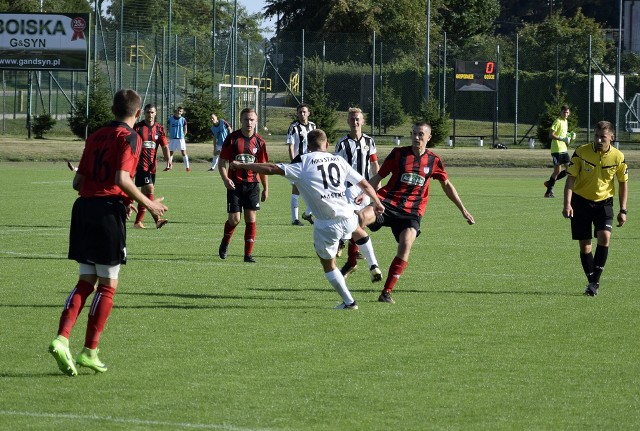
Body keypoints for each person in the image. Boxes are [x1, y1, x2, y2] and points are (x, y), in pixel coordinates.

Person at [48, 89, 168, 376]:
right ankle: (89, 351)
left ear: (113, 109)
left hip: (84, 210)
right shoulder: (131, 137)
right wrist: (149, 204)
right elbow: (122, 178)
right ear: (137, 114)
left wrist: (120, 198)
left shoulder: (95, 136)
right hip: (105, 214)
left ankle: (62, 338)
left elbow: (78, 182)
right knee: (108, 285)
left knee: (85, 281)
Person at [230, 129, 385, 309]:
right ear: (326, 145)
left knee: (328, 264)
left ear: (308, 147)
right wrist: (377, 202)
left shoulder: (304, 162)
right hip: (348, 216)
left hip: (327, 223)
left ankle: (349, 302)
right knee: (357, 230)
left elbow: (271, 168)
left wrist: (243, 165)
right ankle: (372, 263)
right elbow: (365, 184)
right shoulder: (339, 160)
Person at [359, 121, 475, 304]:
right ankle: (353, 262)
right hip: (386, 203)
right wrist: (362, 194)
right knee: (360, 218)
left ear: (429, 137)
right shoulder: (398, 154)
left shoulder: (434, 160)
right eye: (414, 133)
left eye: (421, 134)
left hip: (411, 212)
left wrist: (463, 209)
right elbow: (379, 176)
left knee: (406, 245)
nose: (416, 137)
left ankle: (386, 292)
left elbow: (446, 185)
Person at [562, 120, 628, 297]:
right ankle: (592, 282)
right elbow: (570, 179)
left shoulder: (618, 157)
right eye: (597, 136)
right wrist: (567, 203)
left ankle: (594, 282)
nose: (599, 140)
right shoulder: (581, 152)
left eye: (603, 137)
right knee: (585, 248)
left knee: (604, 237)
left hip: (604, 203)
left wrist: (623, 210)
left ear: (611, 138)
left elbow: (622, 183)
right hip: (580, 202)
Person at [218, 107, 269, 263]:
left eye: (252, 119)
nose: (249, 122)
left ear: (256, 121)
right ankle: (225, 242)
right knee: (234, 219)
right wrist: (226, 179)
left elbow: (263, 166)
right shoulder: (232, 139)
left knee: (251, 218)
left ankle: (248, 255)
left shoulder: (260, 142)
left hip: (253, 185)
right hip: (235, 185)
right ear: (241, 120)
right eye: (246, 119)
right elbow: (221, 162)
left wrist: (266, 188)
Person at [335, 107, 379, 272]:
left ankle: (352, 253)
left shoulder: (369, 141)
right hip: (349, 188)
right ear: (348, 121)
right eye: (352, 119)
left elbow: (374, 164)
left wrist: (377, 187)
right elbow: (337, 167)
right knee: (351, 220)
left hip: (365, 187)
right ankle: (342, 244)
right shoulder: (343, 143)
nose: (355, 122)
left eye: (357, 119)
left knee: (361, 222)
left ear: (363, 121)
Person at [133, 103, 170, 229]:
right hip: (140, 165)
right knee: (149, 189)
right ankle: (157, 219)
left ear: (156, 113)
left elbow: (164, 145)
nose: (150, 114)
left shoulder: (159, 129)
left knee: (144, 193)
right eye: (148, 112)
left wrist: (168, 160)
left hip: (152, 167)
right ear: (144, 113)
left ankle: (138, 222)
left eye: (152, 112)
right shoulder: (137, 128)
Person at [286, 103, 316, 225]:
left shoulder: (313, 126)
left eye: (304, 112)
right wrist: (293, 162)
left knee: (316, 189)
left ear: (308, 113)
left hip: (311, 162)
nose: (302, 114)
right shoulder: (293, 127)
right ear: (297, 114)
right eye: (300, 112)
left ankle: (308, 213)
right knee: (296, 189)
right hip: (299, 162)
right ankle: (295, 219)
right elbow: (291, 145)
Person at [544, 105, 573, 198]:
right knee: (557, 170)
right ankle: (548, 192)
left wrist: (570, 135)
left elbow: (563, 134)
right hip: (556, 149)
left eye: (567, 112)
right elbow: (551, 134)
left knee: (569, 170)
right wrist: (561, 139)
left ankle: (549, 183)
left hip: (563, 149)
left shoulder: (566, 122)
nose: (565, 114)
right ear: (561, 112)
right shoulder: (558, 121)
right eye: (564, 112)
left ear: (569, 113)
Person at [167, 106, 189, 172]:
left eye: (180, 111)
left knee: (183, 152)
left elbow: (185, 129)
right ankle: (168, 166)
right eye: (178, 110)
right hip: (173, 138)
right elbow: (168, 127)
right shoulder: (170, 119)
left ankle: (187, 167)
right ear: (176, 111)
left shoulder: (183, 119)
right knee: (170, 153)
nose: (179, 112)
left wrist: (183, 136)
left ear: (182, 112)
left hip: (180, 139)